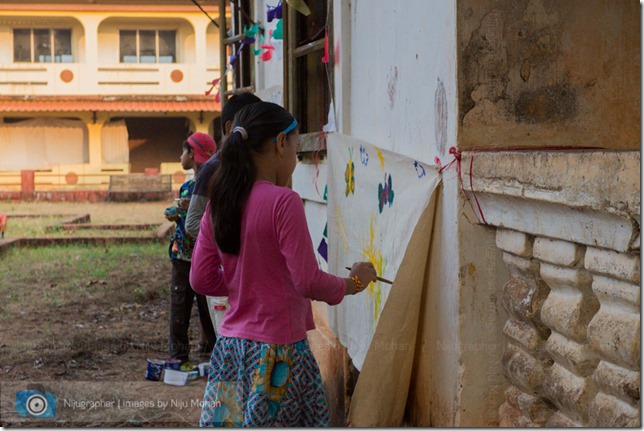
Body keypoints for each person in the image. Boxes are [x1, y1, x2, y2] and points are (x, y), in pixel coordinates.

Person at [190, 102, 377, 427]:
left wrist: (244, 281)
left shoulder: (221, 200)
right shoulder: (283, 201)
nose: (294, 154)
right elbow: (306, 281)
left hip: (231, 352)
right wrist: (354, 283)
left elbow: (201, 278)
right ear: (280, 143)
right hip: (278, 356)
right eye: (294, 144)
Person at [163, 132, 217, 370]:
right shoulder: (191, 186)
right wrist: (177, 214)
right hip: (195, 255)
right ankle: (211, 355)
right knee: (202, 307)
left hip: (195, 256)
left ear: (193, 155)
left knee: (185, 305)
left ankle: (183, 356)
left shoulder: (204, 186)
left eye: (184, 151)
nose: (181, 155)